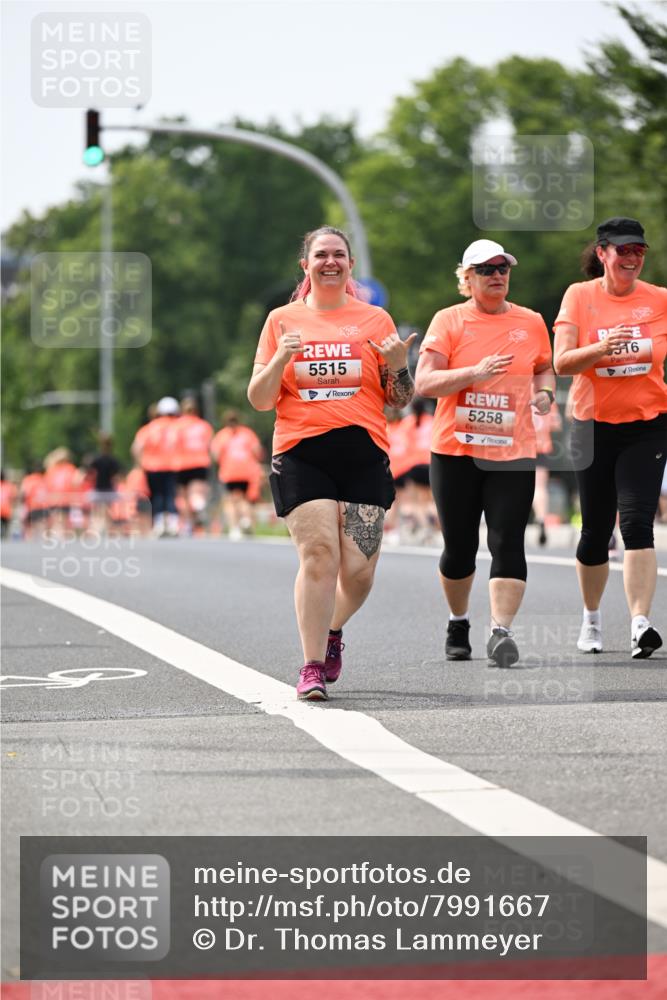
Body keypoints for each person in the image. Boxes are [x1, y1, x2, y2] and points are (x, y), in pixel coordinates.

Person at [247, 226, 415, 699]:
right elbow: (260, 400)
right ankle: (312, 665)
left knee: (358, 571)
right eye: (321, 255)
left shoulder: (375, 319)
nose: (330, 261)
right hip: (302, 451)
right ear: (306, 265)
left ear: (349, 264)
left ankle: (333, 628)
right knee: (319, 555)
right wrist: (280, 357)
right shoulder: (281, 320)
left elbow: (399, 399)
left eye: (338, 254)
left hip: (363, 450)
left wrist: (400, 364)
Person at [415, 239, 555, 667]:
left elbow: (544, 366)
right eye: (486, 269)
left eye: (503, 268)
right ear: (468, 278)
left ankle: (501, 632)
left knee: (508, 541)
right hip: (456, 451)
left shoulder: (530, 321)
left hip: (512, 451)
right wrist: (473, 373)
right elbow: (424, 382)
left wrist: (545, 391)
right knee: (459, 548)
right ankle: (459, 621)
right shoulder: (449, 320)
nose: (497, 275)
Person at [553, 217, 666, 658]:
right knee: (596, 530)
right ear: (602, 253)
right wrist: (602, 348)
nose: (632, 258)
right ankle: (592, 619)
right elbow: (562, 362)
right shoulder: (580, 297)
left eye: (639, 250)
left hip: (648, 423)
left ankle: (640, 622)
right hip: (592, 425)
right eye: (623, 250)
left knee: (638, 522)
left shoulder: (658, 299)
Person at [131, 397, 181, 537]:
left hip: (152, 467)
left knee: (157, 495)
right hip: (172, 465)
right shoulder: (177, 426)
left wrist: (139, 464)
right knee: (170, 494)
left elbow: (137, 447)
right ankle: (173, 523)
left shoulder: (149, 428)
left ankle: (159, 523)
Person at [210, 410, 263, 540]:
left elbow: (215, 455)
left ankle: (235, 528)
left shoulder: (221, 435)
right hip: (247, 471)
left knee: (230, 501)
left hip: (229, 472)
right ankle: (246, 519)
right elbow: (258, 451)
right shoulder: (247, 433)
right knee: (245, 500)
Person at [174, 397, 214, 534]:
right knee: (197, 491)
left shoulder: (177, 425)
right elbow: (210, 445)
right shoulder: (204, 425)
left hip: (181, 464)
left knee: (184, 495)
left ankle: (188, 524)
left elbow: (172, 445)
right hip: (200, 462)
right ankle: (199, 506)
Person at [531, 403, 562, 546]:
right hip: (541, 446)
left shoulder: (517, 387)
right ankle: (541, 518)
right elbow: (556, 424)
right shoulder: (546, 393)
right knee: (540, 487)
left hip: (520, 446)